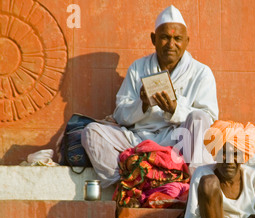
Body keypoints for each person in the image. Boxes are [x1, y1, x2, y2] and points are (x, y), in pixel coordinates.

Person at [81, 5, 218, 188]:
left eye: (177, 39)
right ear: (153, 39)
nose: (171, 44)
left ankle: (197, 185)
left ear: (187, 41)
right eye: (164, 38)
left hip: (177, 140)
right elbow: (120, 114)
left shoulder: (201, 72)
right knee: (91, 132)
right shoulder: (138, 68)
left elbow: (209, 117)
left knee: (199, 118)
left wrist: (175, 109)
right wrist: (142, 105)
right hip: (138, 139)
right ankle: (126, 185)